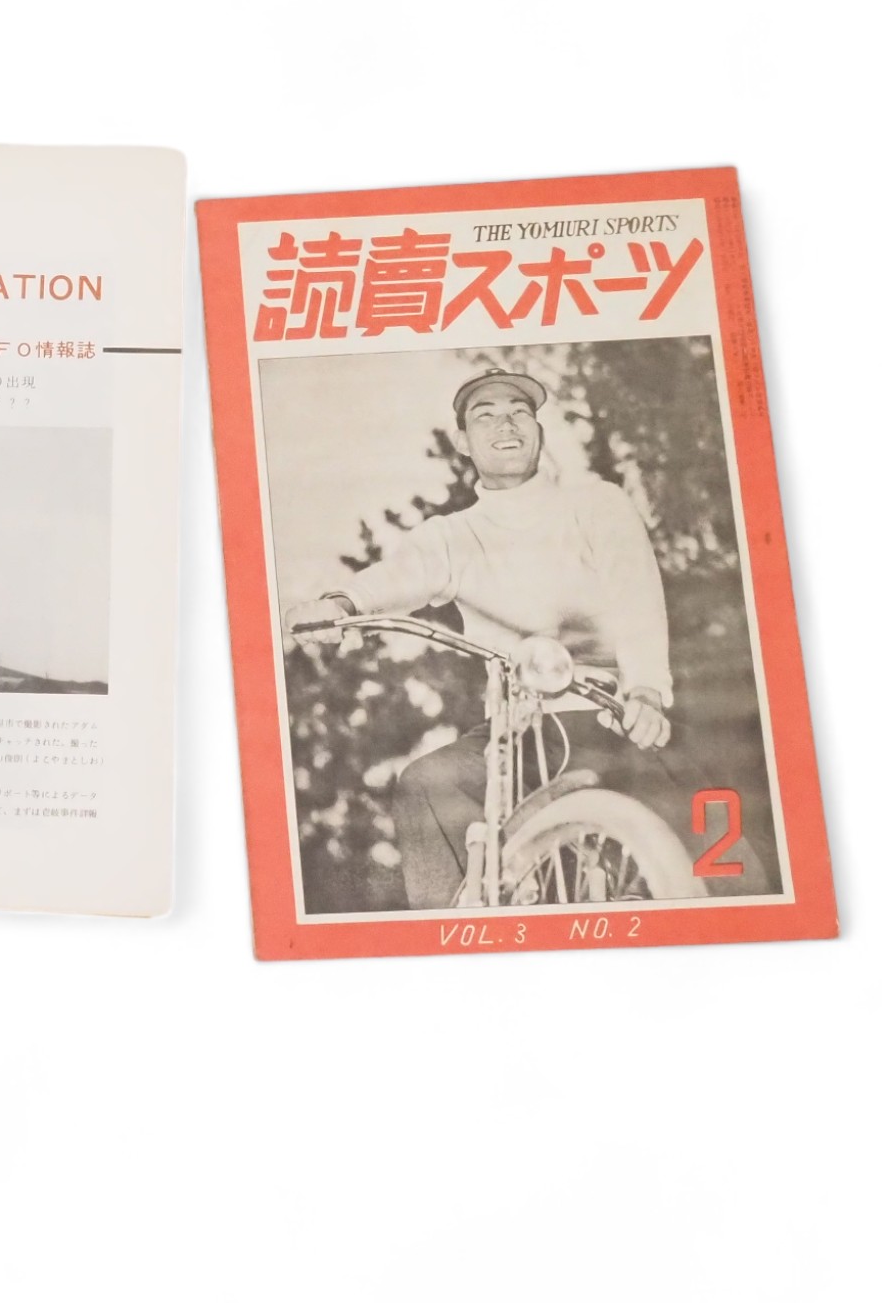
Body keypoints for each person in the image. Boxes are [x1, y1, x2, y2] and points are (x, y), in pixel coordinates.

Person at [283, 368, 693, 909]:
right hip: (512, 733)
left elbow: (635, 597)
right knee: (428, 782)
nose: (507, 423)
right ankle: (460, 930)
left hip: (608, 714)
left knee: (710, 846)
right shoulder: (453, 535)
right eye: (486, 415)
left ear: (538, 431)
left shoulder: (597, 504)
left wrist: (645, 692)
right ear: (463, 442)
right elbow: (394, 577)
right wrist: (340, 606)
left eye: (520, 412)